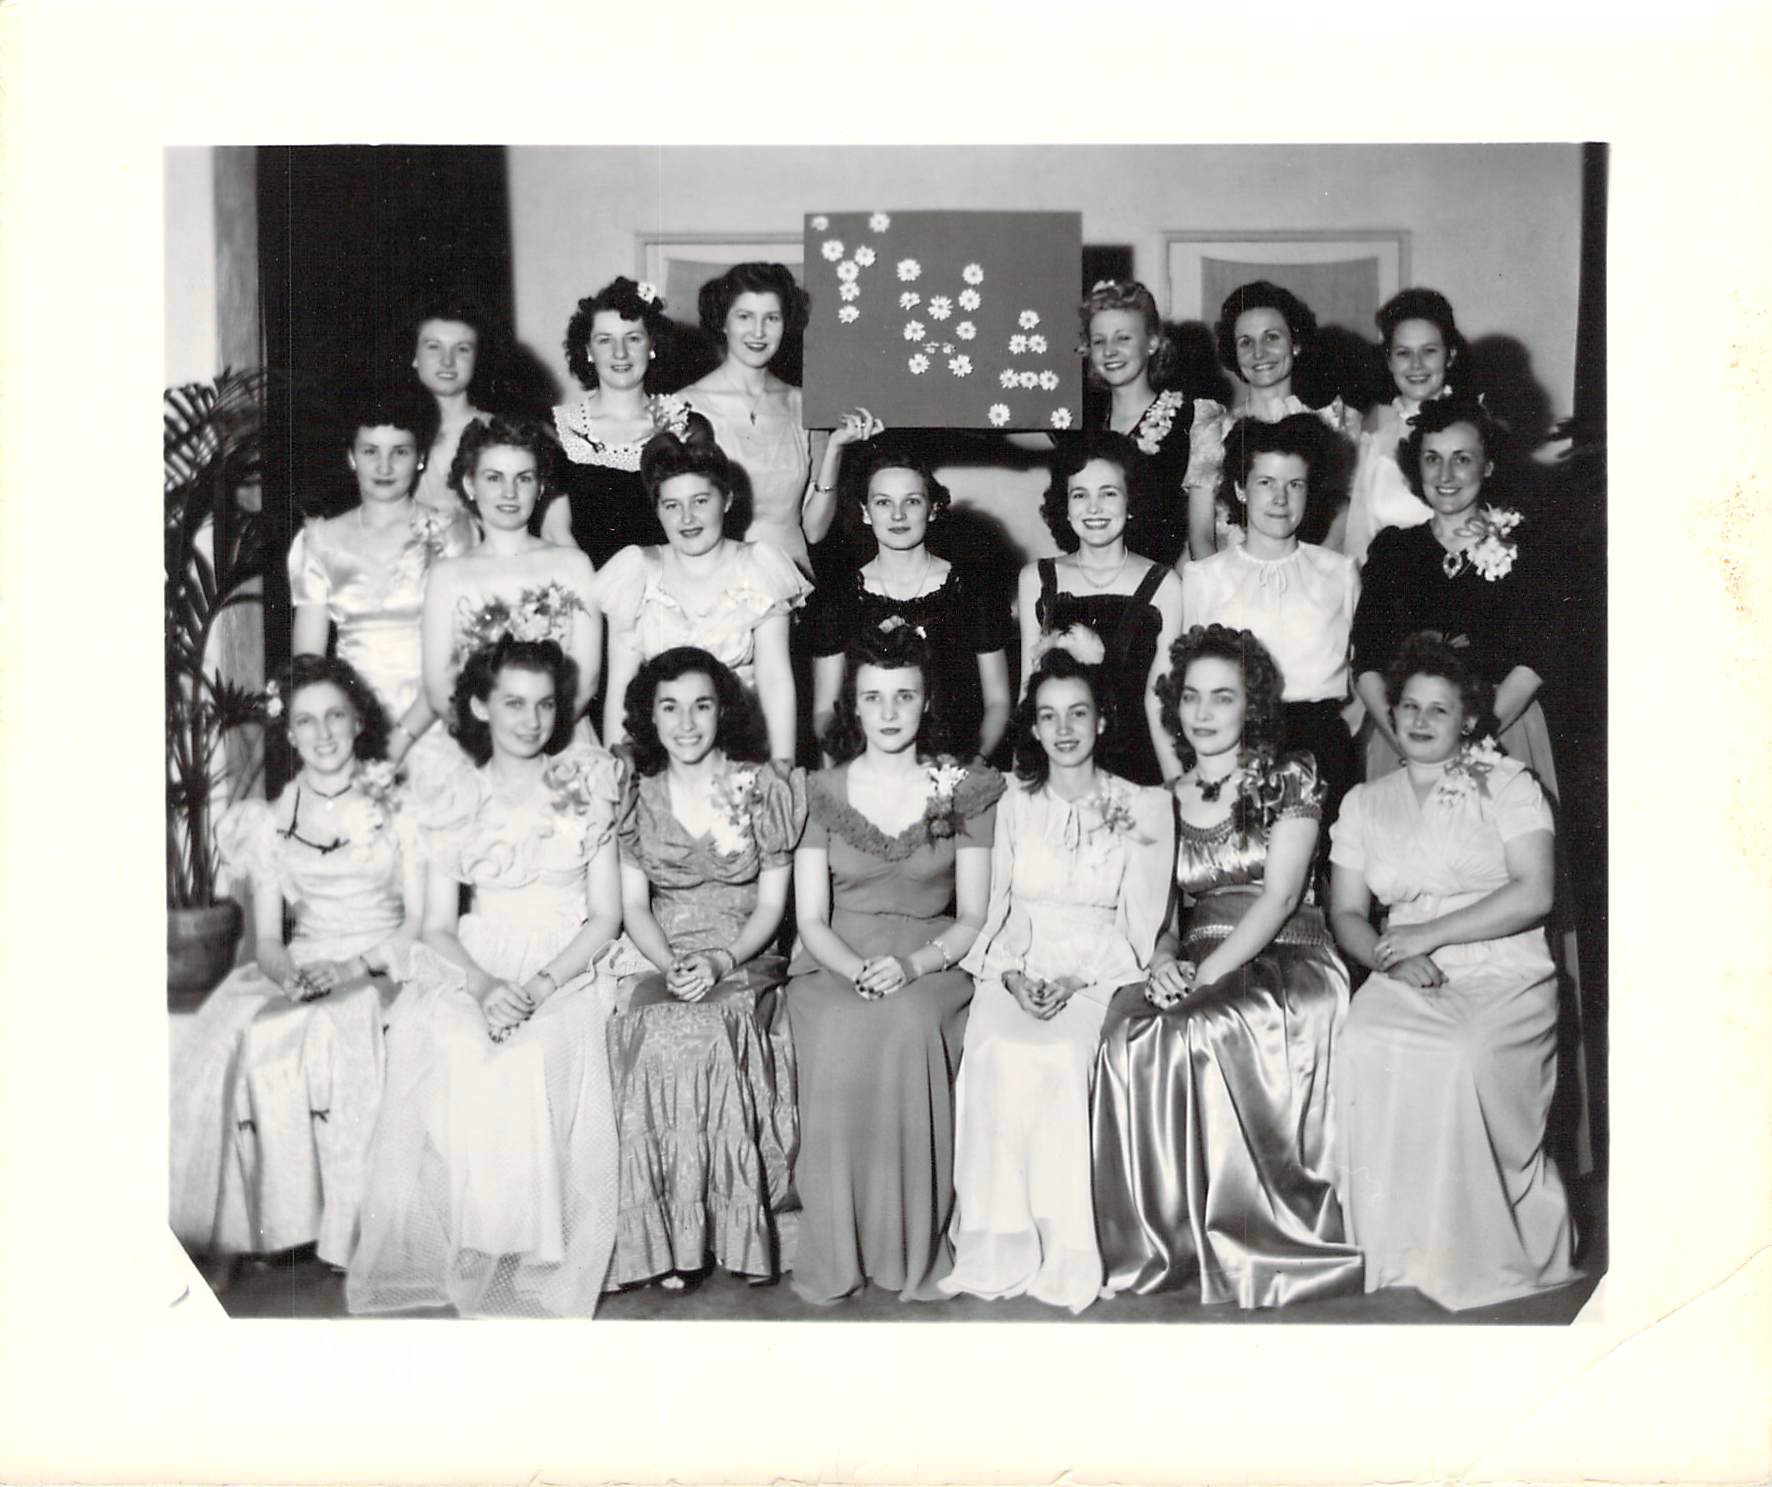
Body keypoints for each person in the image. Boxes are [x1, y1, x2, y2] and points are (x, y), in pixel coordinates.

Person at [346, 637, 625, 1317]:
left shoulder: (589, 785)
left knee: (529, 1056)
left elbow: (606, 917)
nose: (531, 720)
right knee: (463, 1047)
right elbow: (439, 925)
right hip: (477, 961)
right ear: (480, 706)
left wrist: (538, 986)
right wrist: (484, 985)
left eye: (545, 705)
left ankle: (535, 1255)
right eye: (513, 704)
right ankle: (477, 1245)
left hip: (566, 963)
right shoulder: (454, 796)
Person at [1092, 625, 1362, 1307]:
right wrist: (1162, 960)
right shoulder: (1161, 798)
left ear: (1253, 705)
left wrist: (1206, 974)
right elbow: (1160, 912)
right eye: (1191, 697)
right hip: (1197, 953)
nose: (1204, 713)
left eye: (1223, 697)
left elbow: (1279, 898)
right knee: (1129, 1028)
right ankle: (1168, 1245)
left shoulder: (1290, 775)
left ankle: (1249, 1240)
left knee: (1210, 1023)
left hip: (1288, 952)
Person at [1328, 634, 1577, 1310]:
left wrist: (1428, 936)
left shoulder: (1509, 783)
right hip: (1404, 965)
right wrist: (1392, 956)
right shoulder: (1364, 802)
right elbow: (1347, 912)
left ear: (1468, 719)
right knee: (1363, 1039)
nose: (1419, 720)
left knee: (1461, 1052)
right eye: (1409, 706)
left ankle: (1473, 1251)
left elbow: (1535, 893)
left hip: (1505, 963)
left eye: (1439, 709)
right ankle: (1400, 1248)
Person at [940, 651, 1174, 1313]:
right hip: (1015, 955)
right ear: (1034, 727)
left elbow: (1141, 919)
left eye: (1078, 713)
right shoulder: (1010, 801)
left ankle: (1065, 1249)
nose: (1064, 729)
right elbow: (990, 904)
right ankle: (999, 1243)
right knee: (994, 1048)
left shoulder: (1142, 805)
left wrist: (1076, 979)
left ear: (1102, 720)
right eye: (1049, 716)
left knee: (1063, 1057)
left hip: (1099, 964)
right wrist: (1012, 977)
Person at [170, 656, 422, 1268]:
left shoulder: (400, 806)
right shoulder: (270, 820)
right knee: (253, 1033)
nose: (323, 733)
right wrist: (291, 978)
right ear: (289, 733)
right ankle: (286, 1222)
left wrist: (353, 969)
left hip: (385, 958)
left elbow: (420, 923)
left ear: (359, 721)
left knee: (341, 1023)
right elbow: (268, 940)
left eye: (336, 716)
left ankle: (348, 1226)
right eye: (306, 721)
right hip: (304, 961)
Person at [787, 627, 1003, 1304]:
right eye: (873, 697)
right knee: (843, 1027)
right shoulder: (820, 790)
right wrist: (856, 969)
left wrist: (911, 967)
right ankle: (838, 1252)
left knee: (909, 1025)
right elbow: (811, 919)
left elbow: (972, 914)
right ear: (852, 705)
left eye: (904, 696)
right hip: (834, 958)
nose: (888, 712)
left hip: (931, 960)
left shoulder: (963, 788)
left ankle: (910, 1249)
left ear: (926, 700)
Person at [599, 648, 806, 1289]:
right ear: (649, 716)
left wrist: (721, 960)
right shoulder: (637, 793)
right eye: (669, 708)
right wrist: (670, 965)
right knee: (653, 1026)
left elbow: (772, 905)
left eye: (701, 706)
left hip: (743, 953)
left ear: (723, 712)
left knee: (710, 1028)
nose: (685, 724)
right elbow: (635, 905)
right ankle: (664, 1239)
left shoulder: (764, 787)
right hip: (662, 951)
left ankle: (728, 1234)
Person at [1180, 413, 1360, 844]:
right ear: (1241, 489)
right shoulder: (1204, 577)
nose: (1280, 498)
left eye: (1294, 484)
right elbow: (1187, 679)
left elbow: (1360, 673)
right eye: (1265, 483)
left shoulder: (1339, 572)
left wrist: (1336, 738)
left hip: (1321, 749)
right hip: (1233, 747)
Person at [288, 386, 475, 771]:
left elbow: (463, 651)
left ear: (421, 458)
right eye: (370, 451)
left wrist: (401, 738)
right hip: (352, 730)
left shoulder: (453, 532)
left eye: (400, 452)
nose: (384, 467)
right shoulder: (320, 542)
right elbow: (309, 666)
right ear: (351, 457)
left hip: (435, 721)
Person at [596, 432, 810, 762]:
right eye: (672, 505)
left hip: (743, 749)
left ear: (727, 500)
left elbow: (775, 681)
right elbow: (620, 690)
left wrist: (782, 767)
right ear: (657, 510)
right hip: (664, 751)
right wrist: (616, 771)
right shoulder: (636, 572)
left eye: (700, 501)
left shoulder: (758, 566)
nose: (687, 518)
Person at [807, 441, 1012, 764]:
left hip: (956, 764)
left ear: (933, 508)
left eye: (912, 501)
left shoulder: (972, 588)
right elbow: (824, 712)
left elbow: (998, 703)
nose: (898, 515)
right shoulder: (838, 596)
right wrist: (853, 769)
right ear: (865, 512)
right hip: (867, 766)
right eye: (883, 502)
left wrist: (970, 767)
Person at [682, 261, 879, 572]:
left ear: (786, 324)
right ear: (723, 322)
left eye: (771, 318)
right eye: (744, 316)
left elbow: (814, 530)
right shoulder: (685, 406)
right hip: (716, 576)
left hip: (793, 577)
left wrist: (836, 448)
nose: (758, 332)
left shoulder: (805, 404)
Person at [1017, 431, 1185, 787]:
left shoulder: (1165, 583)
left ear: (1132, 501)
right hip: (1058, 768)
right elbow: (1028, 692)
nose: (1093, 508)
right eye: (1080, 494)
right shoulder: (1037, 578)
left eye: (1108, 493)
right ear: (1065, 505)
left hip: (1136, 768)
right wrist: (1022, 782)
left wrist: (1175, 786)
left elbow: (1158, 700)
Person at [420, 416, 600, 743]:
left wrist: (536, 741)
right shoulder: (446, 576)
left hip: (561, 741)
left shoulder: (574, 566)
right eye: (494, 478)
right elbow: (438, 686)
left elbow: (585, 680)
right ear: (470, 485)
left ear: (541, 486)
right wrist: (494, 750)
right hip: (479, 746)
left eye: (524, 478)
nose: (509, 492)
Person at [541, 277, 715, 568]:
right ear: (588, 350)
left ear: (652, 345)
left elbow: (699, 526)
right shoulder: (560, 428)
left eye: (633, 338)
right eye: (604, 340)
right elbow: (554, 533)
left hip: (668, 584)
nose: (619, 353)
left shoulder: (685, 427)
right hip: (586, 584)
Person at [1187, 280, 1361, 556]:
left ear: (1295, 343)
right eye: (1246, 342)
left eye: (1272, 337)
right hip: (1228, 575)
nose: (1258, 353)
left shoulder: (1332, 422)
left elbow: (1346, 517)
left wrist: (1308, 575)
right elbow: (1200, 534)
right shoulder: (1214, 430)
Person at [1078, 278, 1226, 569]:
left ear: (1152, 342)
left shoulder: (1193, 417)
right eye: (1099, 341)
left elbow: (1201, 537)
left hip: (1163, 585)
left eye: (1123, 338)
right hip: (1088, 580)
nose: (1109, 351)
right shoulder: (1083, 421)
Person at [1344, 288, 1470, 567]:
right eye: (1403, 353)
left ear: (1450, 356)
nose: (1416, 365)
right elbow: (1358, 545)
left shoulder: (1476, 434)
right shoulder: (1375, 445)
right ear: (1389, 360)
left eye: (1429, 351)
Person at [406, 295, 492, 523]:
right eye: (434, 347)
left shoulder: (497, 430)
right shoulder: (394, 433)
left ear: (477, 358)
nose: (447, 361)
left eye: (462, 349)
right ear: (414, 356)